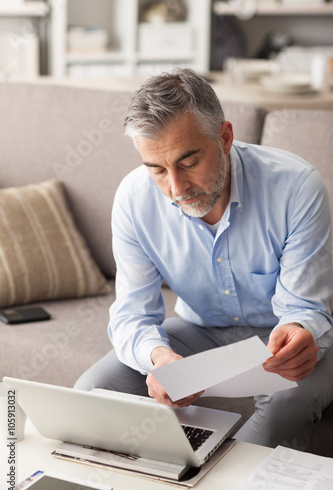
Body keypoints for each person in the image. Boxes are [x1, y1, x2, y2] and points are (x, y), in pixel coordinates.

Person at [75, 68, 333, 450]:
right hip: (201, 332)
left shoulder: (295, 187)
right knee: (91, 391)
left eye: (188, 162)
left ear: (225, 137)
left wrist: (301, 330)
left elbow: (304, 308)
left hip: (279, 337)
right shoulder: (133, 200)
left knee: (287, 401)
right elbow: (132, 315)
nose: (176, 188)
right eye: (158, 170)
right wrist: (159, 357)